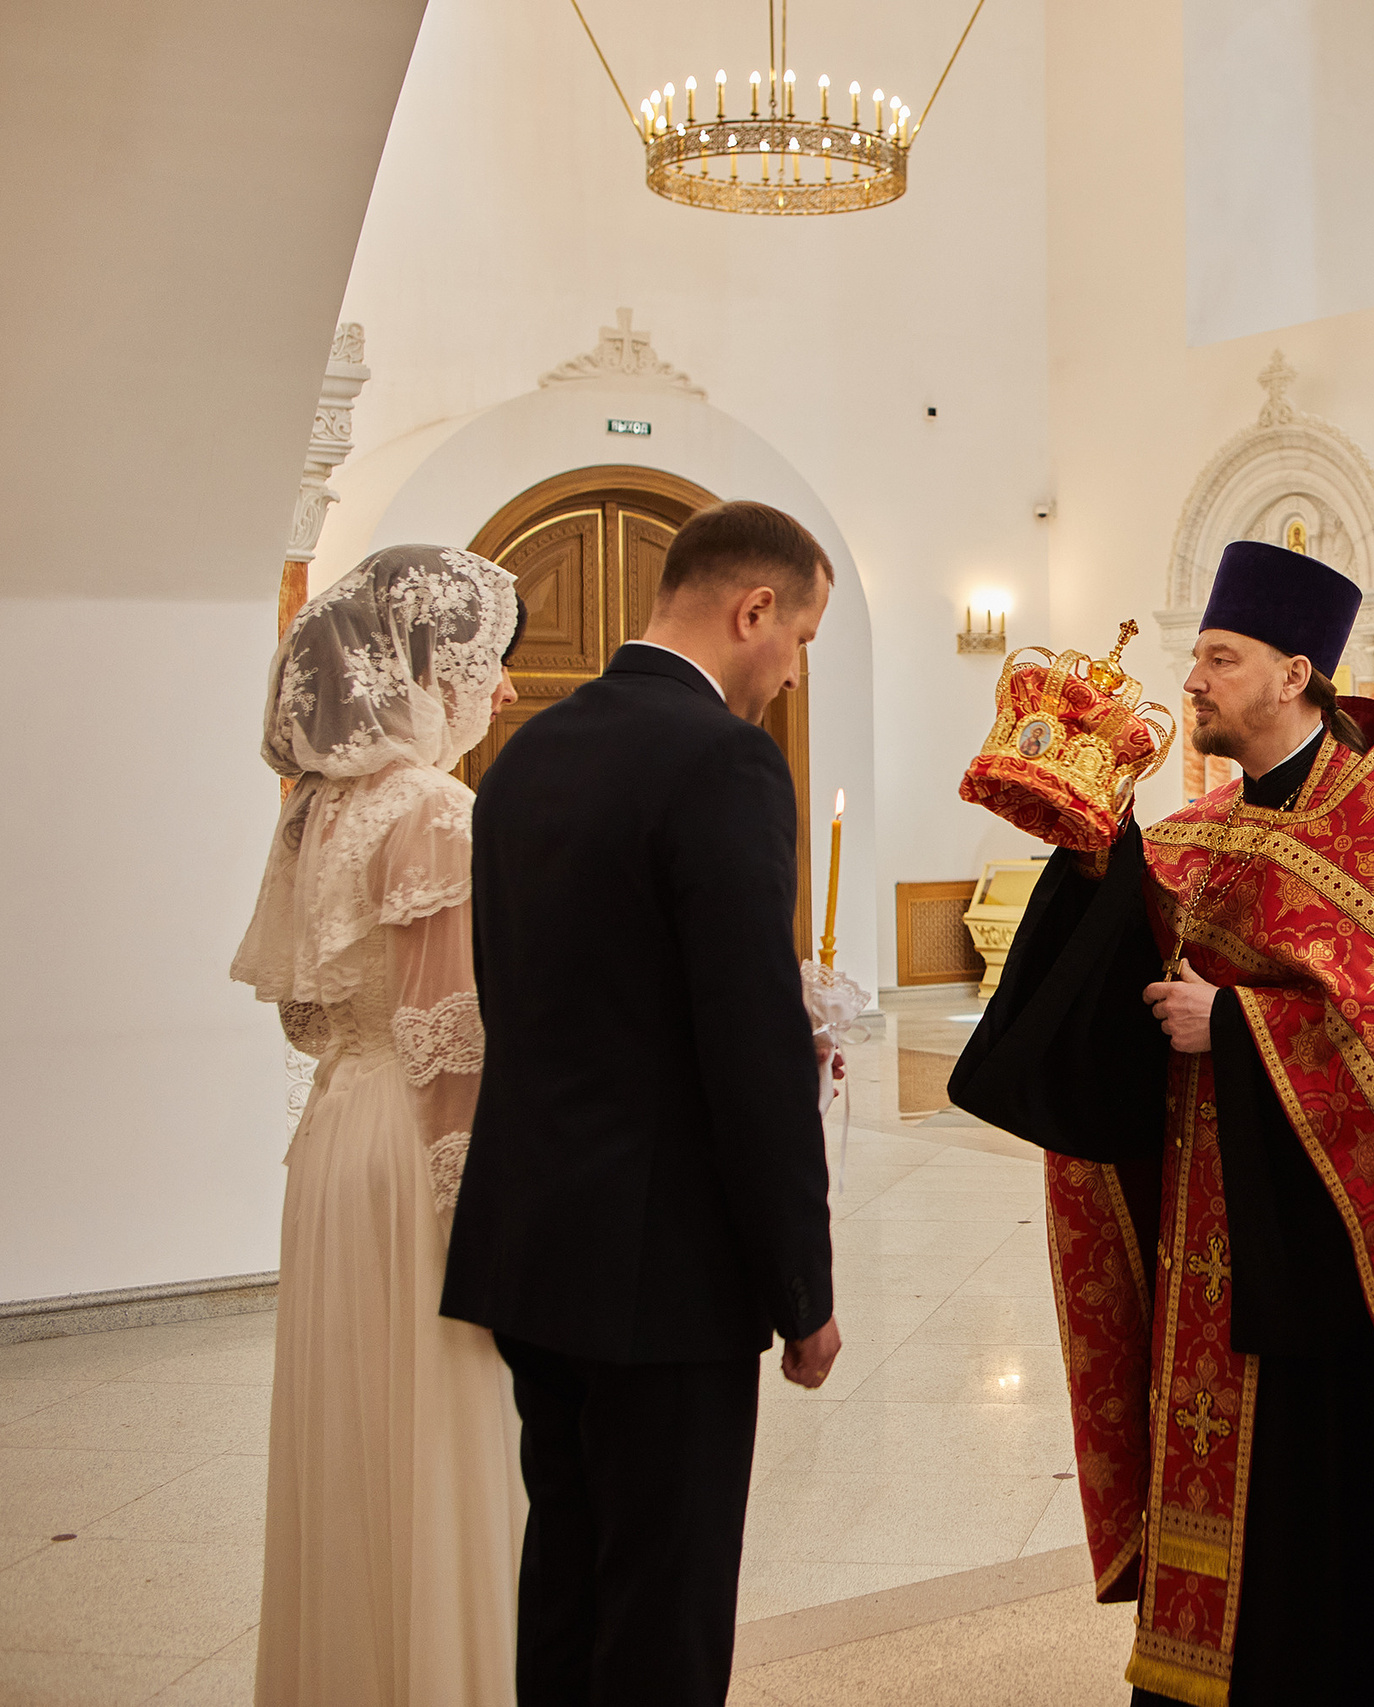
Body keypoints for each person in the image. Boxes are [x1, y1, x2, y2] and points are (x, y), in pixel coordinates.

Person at [949, 540, 1374, 1707]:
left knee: (1304, 1503)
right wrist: (1095, 860)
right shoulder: (1204, 826)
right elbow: (1126, 957)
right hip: (1204, 1233)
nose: (1195, 679)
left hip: (1319, 1257)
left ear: (1295, 673)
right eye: (1195, 655)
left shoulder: (1367, 829)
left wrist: (1234, 1026)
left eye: (1221, 659)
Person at [441, 500, 842, 1706]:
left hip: (536, 1243)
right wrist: (801, 1289)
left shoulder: (532, 753)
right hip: (663, 1273)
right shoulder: (721, 759)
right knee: (662, 1613)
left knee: (565, 1576)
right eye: (801, 636)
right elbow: (746, 1046)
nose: (791, 668)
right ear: (752, 609)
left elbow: (537, 996)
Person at [229, 544, 526, 1704]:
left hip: (334, 1141)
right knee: (439, 1428)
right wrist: (483, 1221)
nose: (502, 687)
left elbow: (314, 1015)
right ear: (427, 665)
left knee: (353, 1443)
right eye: (485, 660)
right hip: (413, 1151)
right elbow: (446, 1037)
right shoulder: (436, 813)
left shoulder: (318, 811)